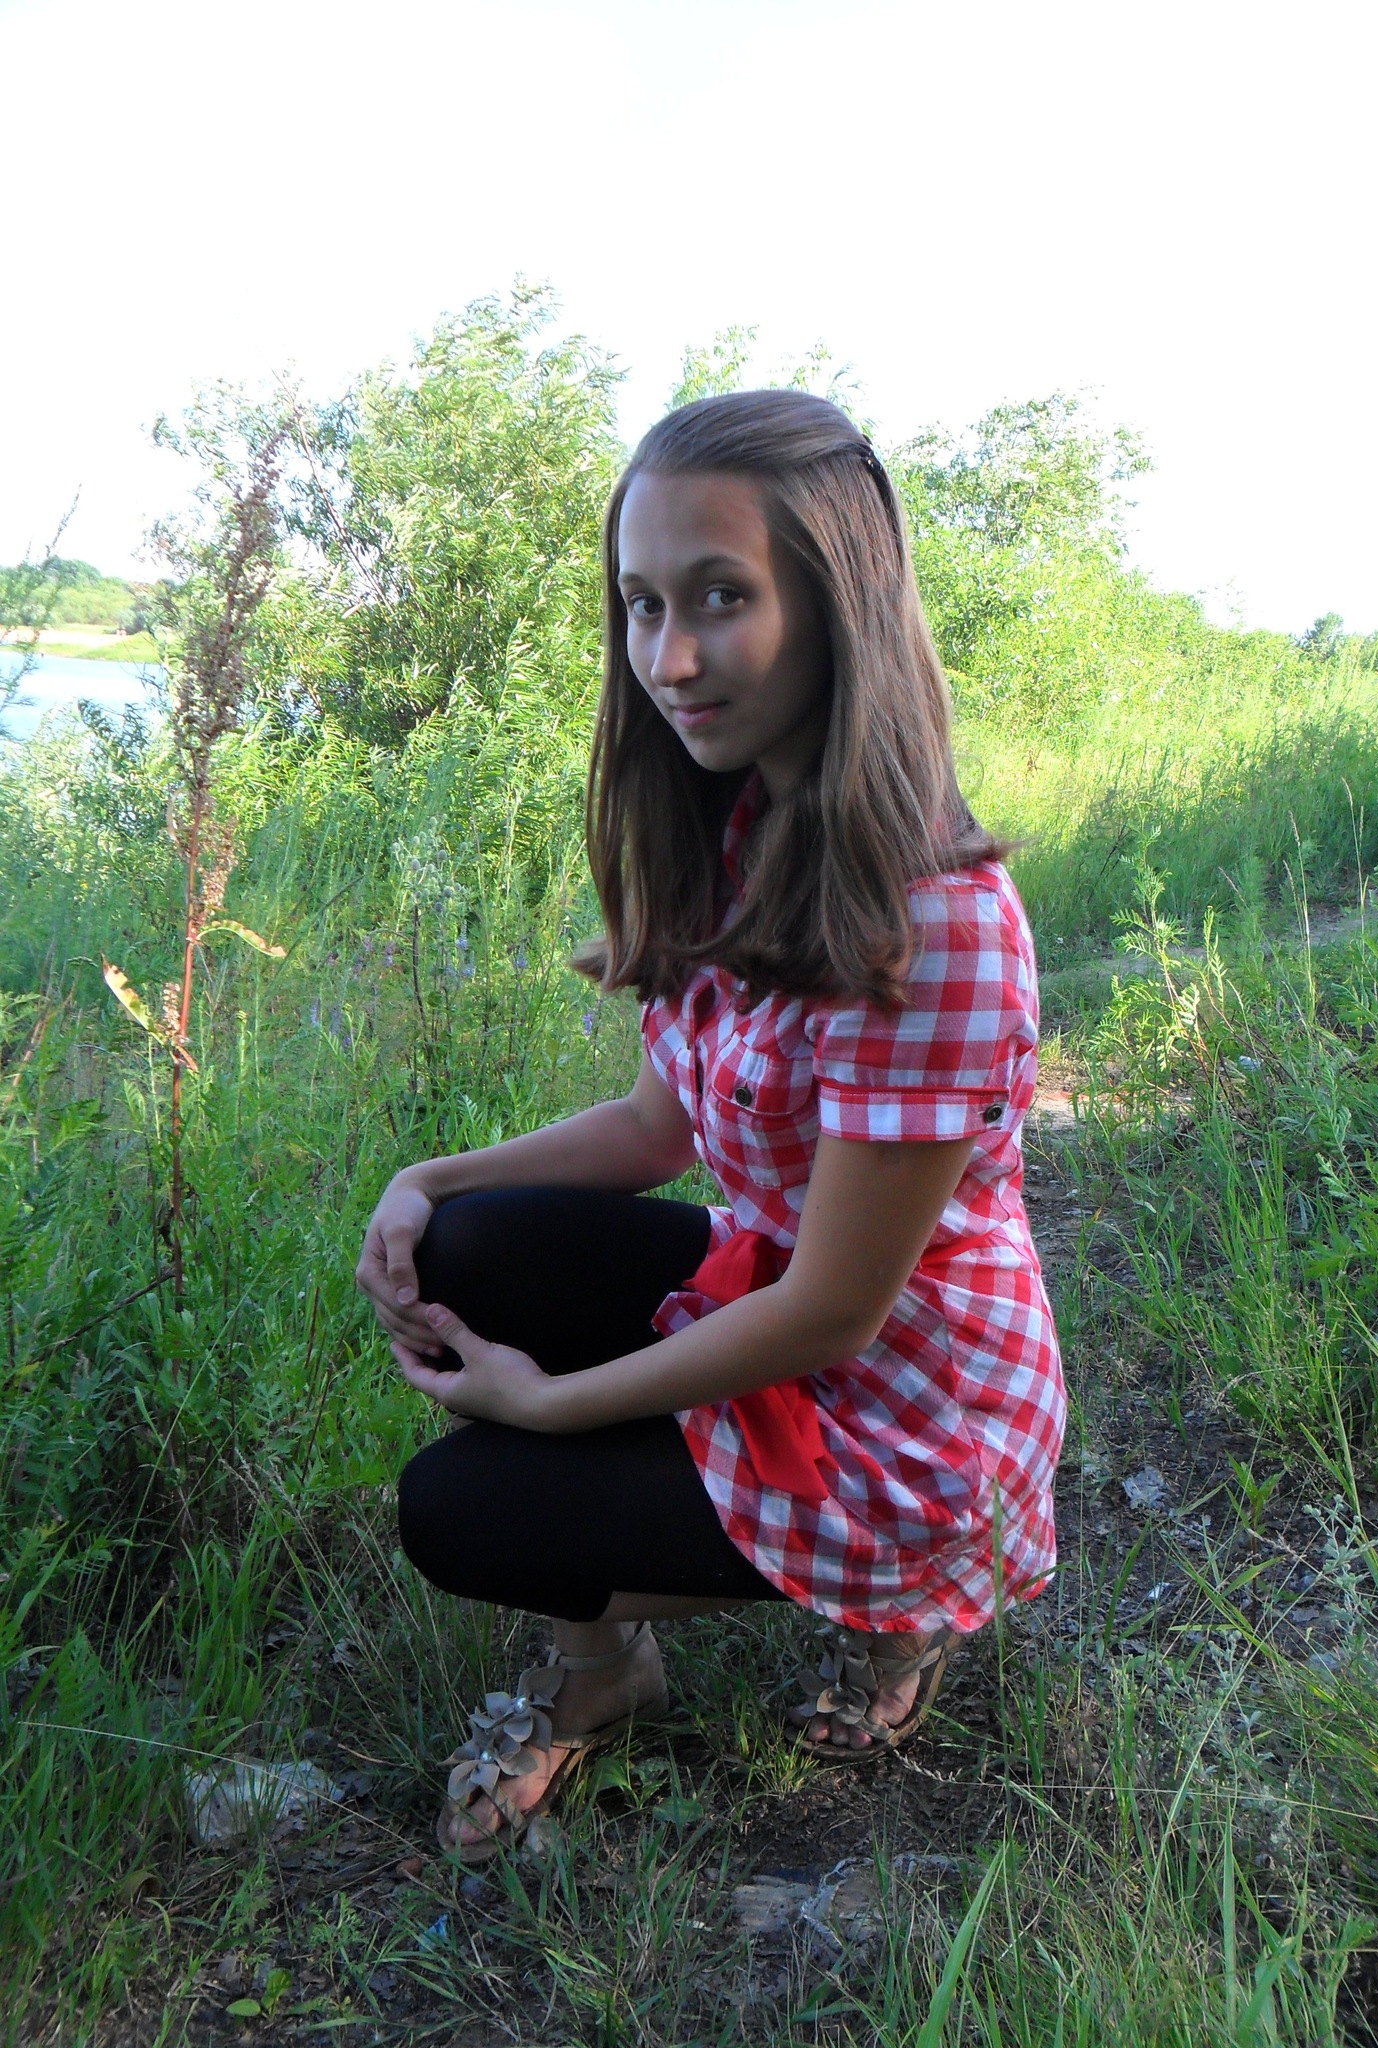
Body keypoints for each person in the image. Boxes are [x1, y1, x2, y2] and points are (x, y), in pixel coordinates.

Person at [355, 390, 1065, 1865]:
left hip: (910, 1413)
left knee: (467, 1506)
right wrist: (427, 1177)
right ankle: (611, 1670)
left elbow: (834, 1314)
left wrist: (553, 1405)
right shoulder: (737, 824)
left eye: (721, 598)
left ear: (838, 605)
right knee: (474, 1247)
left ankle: (900, 1615)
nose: (668, 659)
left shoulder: (937, 920)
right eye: (642, 604)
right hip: (779, 1292)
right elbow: (651, 1126)